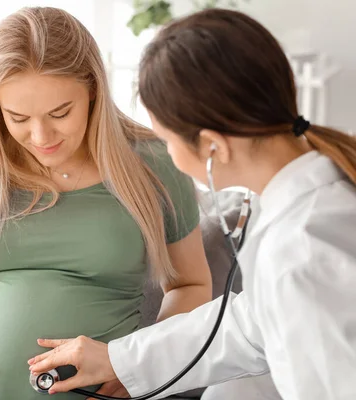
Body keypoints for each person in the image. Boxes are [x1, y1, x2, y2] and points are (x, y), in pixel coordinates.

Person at [0, 6, 214, 400]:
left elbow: (191, 284)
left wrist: (139, 363)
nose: (41, 136)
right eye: (18, 116)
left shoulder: (154, 163)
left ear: (93, 90)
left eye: (60, 112)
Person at [28, 8, 356, 400]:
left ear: (213, 145)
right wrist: (119, 358)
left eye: (166, 139)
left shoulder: (302, 253)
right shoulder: (315, 199)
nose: (166, 151)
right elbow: (251, 324)